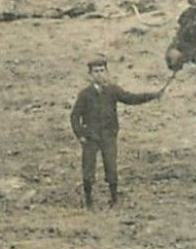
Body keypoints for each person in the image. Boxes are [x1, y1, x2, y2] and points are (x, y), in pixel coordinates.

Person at [70, 56, 168, 209]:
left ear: (107, 72)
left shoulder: (112, 90)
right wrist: (81, 135)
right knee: (88, 170)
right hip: (91, 137)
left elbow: (131, 98)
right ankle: (89, 201)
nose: (99, 74)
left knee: (111, 168)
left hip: (108, 136)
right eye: (96, 71)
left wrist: (152, 95)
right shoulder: (85, 94)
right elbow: (75, 116)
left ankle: (114, 199)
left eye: (102, 70)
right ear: (90, 75)